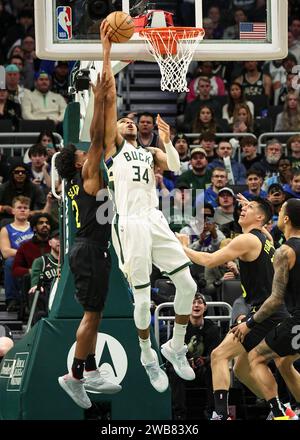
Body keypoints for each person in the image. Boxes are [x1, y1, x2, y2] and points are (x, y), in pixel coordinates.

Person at [101, 21, 198, 392]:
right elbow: (109, 103)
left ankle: (175, 346)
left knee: (187, 284)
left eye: (130, 120)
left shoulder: (148, 151)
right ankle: (146, 355)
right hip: (129, 224)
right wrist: (108, 56)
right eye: (124, 120)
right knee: (142, 299)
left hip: (154, 220)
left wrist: (169, 142)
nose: (128, 123)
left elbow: (173, 166)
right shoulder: (114, 150)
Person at [176, 197, 289, 419]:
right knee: (241, 369)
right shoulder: (266, 238)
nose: (242, 209)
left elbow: (208, 260)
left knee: (219, 355)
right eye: (243, 207)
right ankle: (278, 409)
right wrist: (256, 206)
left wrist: (182, 248)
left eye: (248, 208)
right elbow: (264, 225)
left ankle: (220, 415)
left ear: (260, 217)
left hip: (264, 313)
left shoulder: (247, 239)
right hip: (273, 311)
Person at [55, 69, 121, 409]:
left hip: (90, 249)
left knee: (94, 313)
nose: (87, 154)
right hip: (90, 249)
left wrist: (108, 98)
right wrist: (96, 100)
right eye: (82, 154)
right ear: (79, 162)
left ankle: (91, 368)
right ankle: (76, 376)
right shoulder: (87, 175)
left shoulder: (77, 182)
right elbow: (97, 139)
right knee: (91, 316)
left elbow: (104, 141)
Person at [231, 198, 300, 419]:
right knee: (285, 363)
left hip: (296, 318)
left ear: (286, 218)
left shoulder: (285, 252)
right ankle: (293, 411)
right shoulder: (280, 246)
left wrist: (249, 324)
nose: (278, 215)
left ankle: (280, 415)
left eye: (280, 211)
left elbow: (275, 300)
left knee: (258, 358)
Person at [167, 293, 220, 420]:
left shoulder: (212, 328)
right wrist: (185, 362)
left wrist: (204, 360)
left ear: (205, 307)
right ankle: (179, 414)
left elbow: (216, 353)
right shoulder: (180, 327)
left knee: (215, 368)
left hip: (203, 370)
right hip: (182, 368)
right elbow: (171, 352)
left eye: (199, 302)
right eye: (193, 302)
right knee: (173, 370)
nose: (196, 305)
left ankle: (212, 412)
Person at [28, 229, 60, 323]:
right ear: (50, 242)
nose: (60, 241)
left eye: (62, 239)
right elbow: (35, 280)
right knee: (36, 291)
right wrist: (36, 285)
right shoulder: (41, 261)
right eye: (57, 239)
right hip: (47, 292)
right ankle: (38, 324)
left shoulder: (69, 261)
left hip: (63, 292)